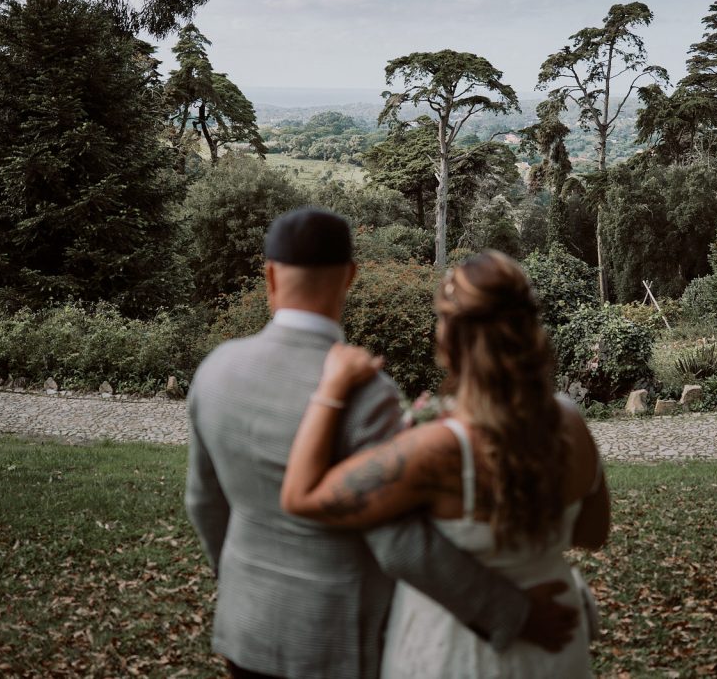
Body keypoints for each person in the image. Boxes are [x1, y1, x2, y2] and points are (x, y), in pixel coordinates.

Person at [185, 209, 579, 679]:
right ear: (350, 276)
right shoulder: (367, 394)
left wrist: (236, 580)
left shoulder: (216, 371)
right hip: (338, 637)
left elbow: (203, 502)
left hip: (244, 625)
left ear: (270, 275)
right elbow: (399, 541)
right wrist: (511, 613)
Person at [280, 249, 611, 678]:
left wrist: (331, 387)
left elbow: (301, 495)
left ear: (450, 337)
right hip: (558, 644)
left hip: (459, 651)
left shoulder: (439, 449)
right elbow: (592, 533)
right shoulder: (571, 421)